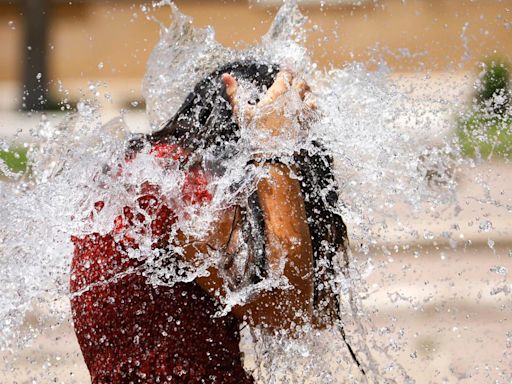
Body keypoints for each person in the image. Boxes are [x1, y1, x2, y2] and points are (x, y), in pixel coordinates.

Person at [69, 61, 355, 383]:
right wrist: (275, 148)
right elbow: (288, 311)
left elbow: (320, 311)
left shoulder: (144, 168)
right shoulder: (183, 187)